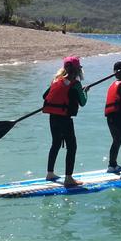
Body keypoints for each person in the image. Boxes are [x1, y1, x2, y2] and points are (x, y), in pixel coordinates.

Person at [42, 56, 87, 186]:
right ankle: (68, 178)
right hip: (65, 119)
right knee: (72, 147)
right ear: (78, 70)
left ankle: (50, 173)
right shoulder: (76, 84)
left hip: (53, 117)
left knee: (55, 144)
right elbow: (83, 102)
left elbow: (45, 96)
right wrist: (85, 92)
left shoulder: (56, 80)